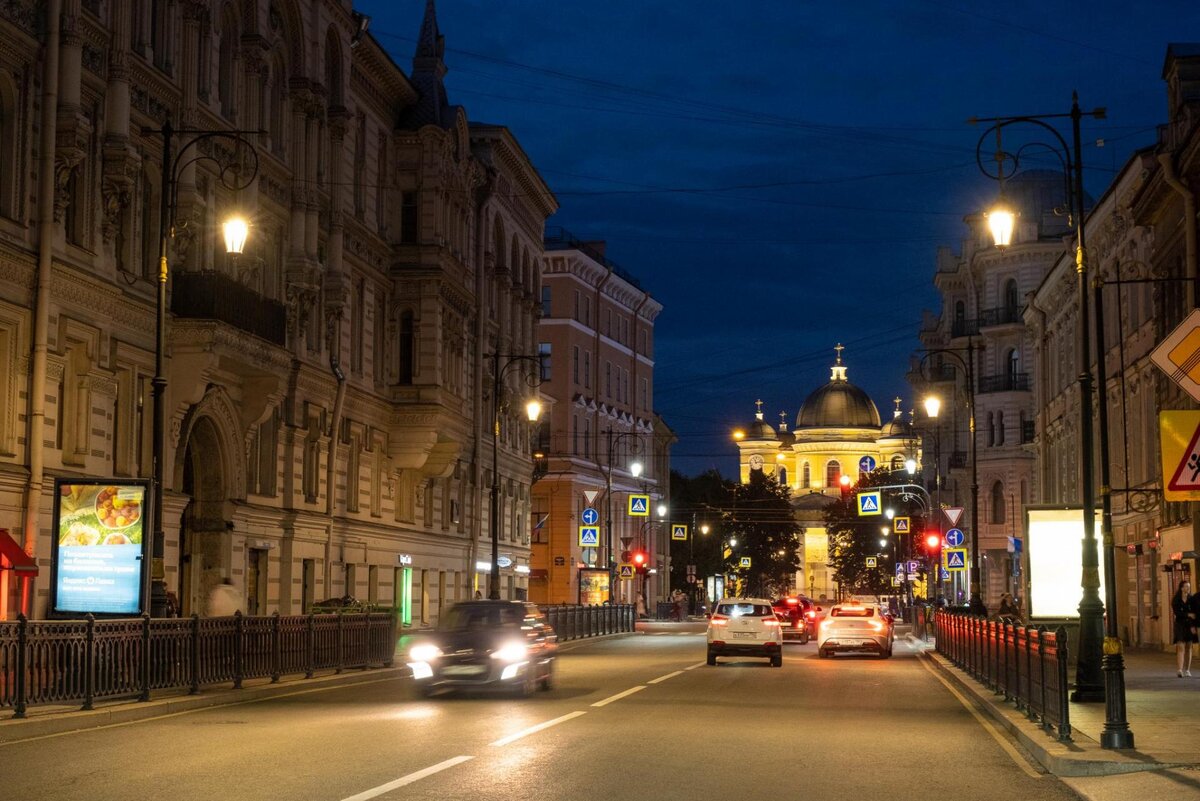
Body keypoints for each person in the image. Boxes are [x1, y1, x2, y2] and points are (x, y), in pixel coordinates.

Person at [1172, 579, 1197, 677]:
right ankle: (1179, 670)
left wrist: (1193, 626)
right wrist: (1188, 614)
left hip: (1189, 625)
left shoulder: (1191, 599)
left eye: (1189, 587)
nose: (1188, 588)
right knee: (1181, 646)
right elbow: (1177, 613)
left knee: (1189, 647)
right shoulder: (1176, 600)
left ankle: (1187, 669)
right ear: (1182, 588)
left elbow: (1194, 614)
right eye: (1186, 586)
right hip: (1180, 625)